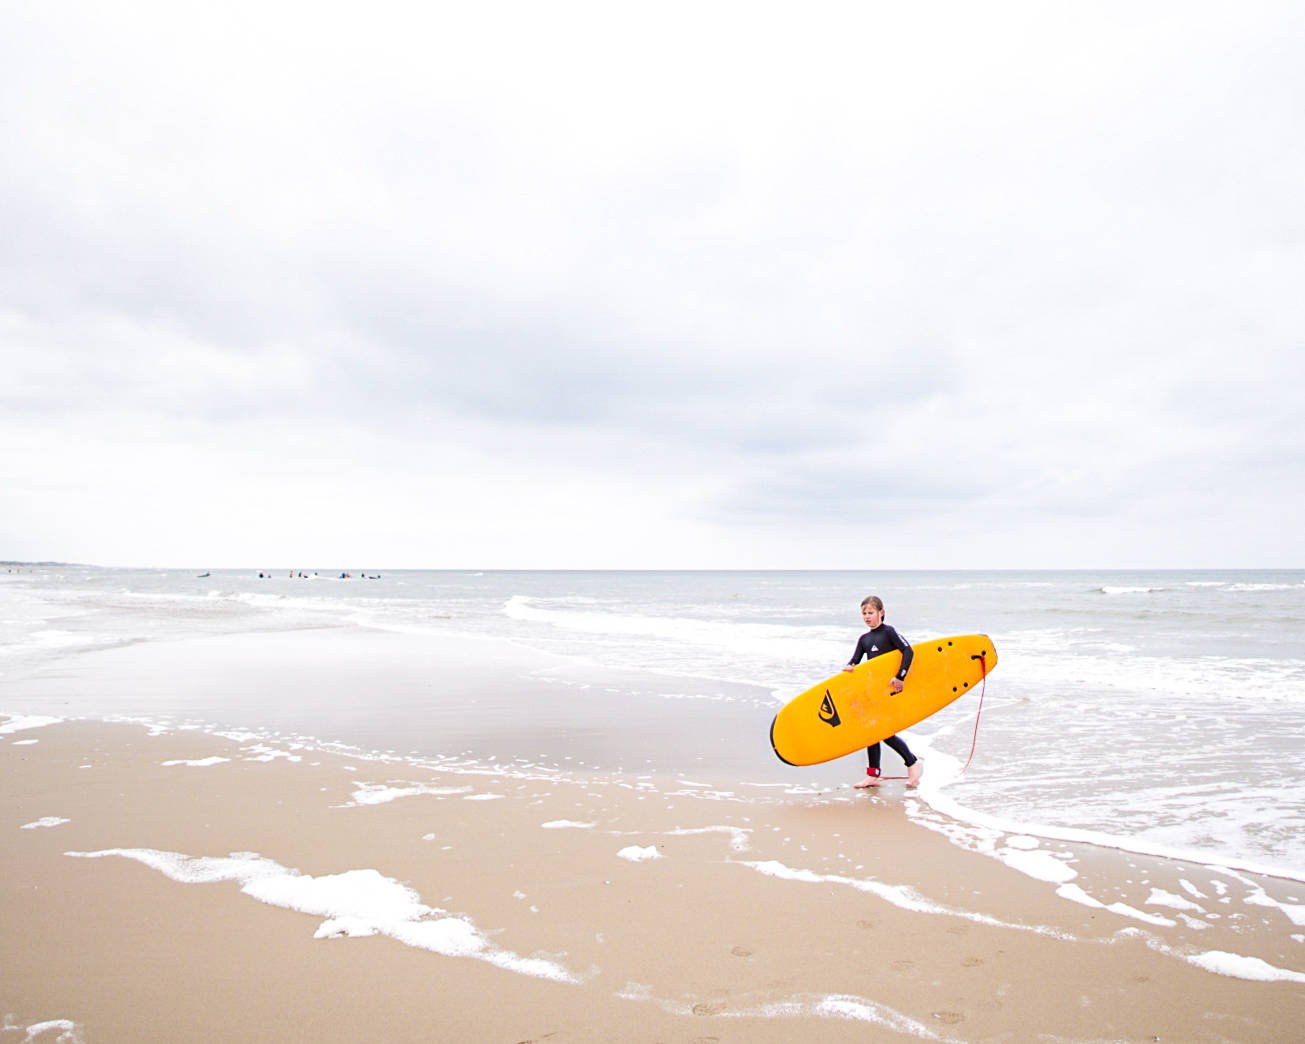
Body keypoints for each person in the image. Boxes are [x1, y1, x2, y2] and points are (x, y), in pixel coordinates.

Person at [842, 595, 923, 789]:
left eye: (871, 613)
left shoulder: (889, 632)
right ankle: (873, 775)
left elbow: (908, 651)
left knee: (883, 732)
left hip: (891, 691)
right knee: (872, 733)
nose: (867, 617)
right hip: (874, 692)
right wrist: (849, 667)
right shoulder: (864, 639)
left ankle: (912, 762)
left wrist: (900, 677)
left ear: (881, 613)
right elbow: (854, 661)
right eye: (864, 613)